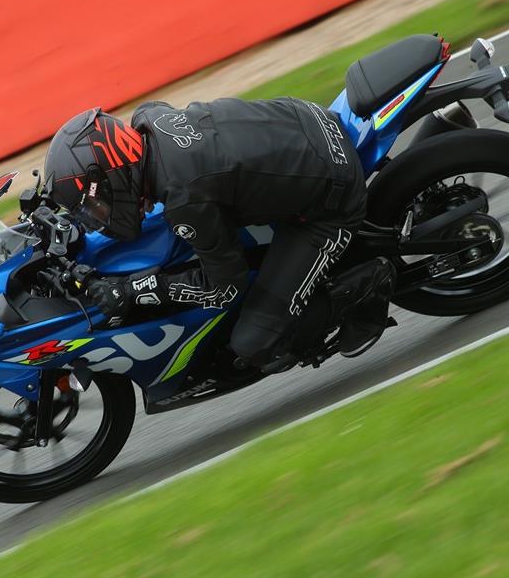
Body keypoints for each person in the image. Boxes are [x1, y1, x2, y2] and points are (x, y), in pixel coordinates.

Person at [43, 98, 394, 373]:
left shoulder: (185, 198)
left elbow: (225, 287)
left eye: (95, 206)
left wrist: (134, 289)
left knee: (255, 344)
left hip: (330, 199)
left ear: (115, 177)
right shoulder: (148, 120)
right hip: (305, 119)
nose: (95, 218)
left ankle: (369, 284)